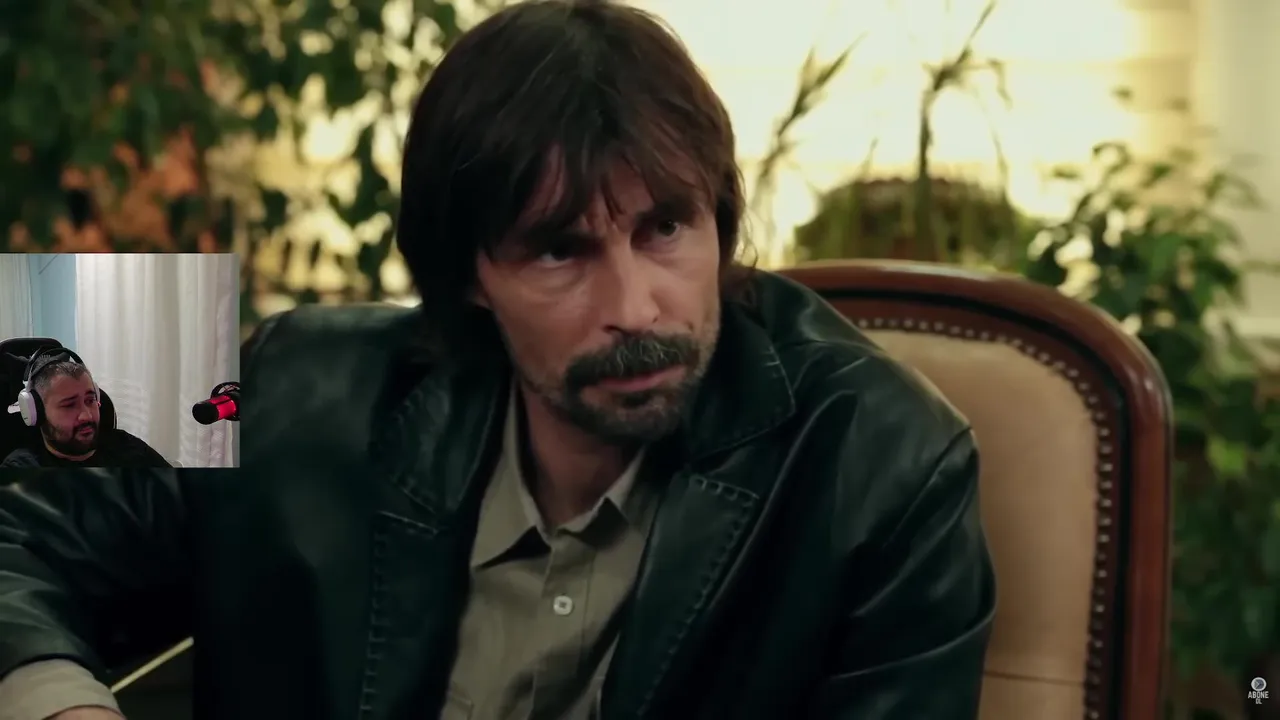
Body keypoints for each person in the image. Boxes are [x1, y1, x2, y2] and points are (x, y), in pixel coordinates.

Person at [0, 1, 994, 718]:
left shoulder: (890, 459)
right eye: (559, 250)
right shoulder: (291, 368)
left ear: (721, 224)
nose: (633, 308)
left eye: (664, 229)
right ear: (466, 274)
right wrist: (58, 702)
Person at [1, 355, 171, 469]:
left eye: (90, 400)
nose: (87, 416)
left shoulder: (129, 448)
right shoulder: (20, 469)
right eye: (69, 405)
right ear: (36, 412)